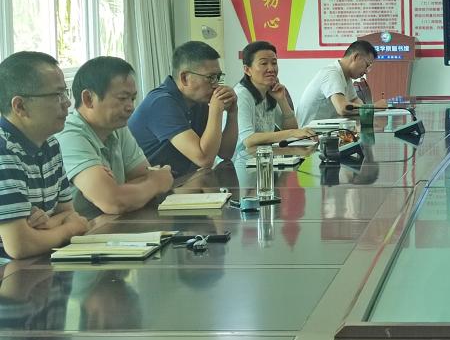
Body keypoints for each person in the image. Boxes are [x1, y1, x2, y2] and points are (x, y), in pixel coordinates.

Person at [56, 57, 174, 218]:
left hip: (113, 223)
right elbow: (113, 202)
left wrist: (118, 190)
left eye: (132, 98)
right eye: (122, 98)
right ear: (88, 99)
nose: (130, 107)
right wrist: (156, 183)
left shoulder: (117, 127)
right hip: (85, 229)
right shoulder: (69, 135)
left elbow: (142, 176)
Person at [0, 51, 89, 259]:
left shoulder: (50, 144)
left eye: (65, 92)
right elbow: (20, 246)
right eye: (57, 95)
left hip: (37, 262)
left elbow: (68, 212)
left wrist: (47, 225)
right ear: (20, 106)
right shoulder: (4, 150)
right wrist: (69, 229)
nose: (67, 103)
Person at [128, 41, 238, 177]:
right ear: (184, 78)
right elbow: (204, 159)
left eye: (218, 77)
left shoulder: (198, 101)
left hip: (179, 182)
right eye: (210, 78)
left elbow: (225, 153)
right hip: (147, 186)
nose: (216, 85)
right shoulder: (161, 102)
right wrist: (216, 110)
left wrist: (232, 113)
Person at [233, 41, 316, 157]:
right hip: (238, 161)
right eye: (264, 63)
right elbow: (248, 140)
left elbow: (291, 128)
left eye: (274, 63)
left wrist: (282, 100)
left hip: (262, 159)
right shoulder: (241, 95)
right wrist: (292, 133)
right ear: (247, 70)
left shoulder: (268, 91)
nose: (271, 69)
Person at [296, 39, 386, 126]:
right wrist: (374, 107)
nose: (366, 71)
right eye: (367, 65)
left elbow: (355, 101)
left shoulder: (346, 76)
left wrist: (369, 110)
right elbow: (343, 108)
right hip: (309, 133)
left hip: (326, 130)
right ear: (356, 57)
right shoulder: (332, 73)